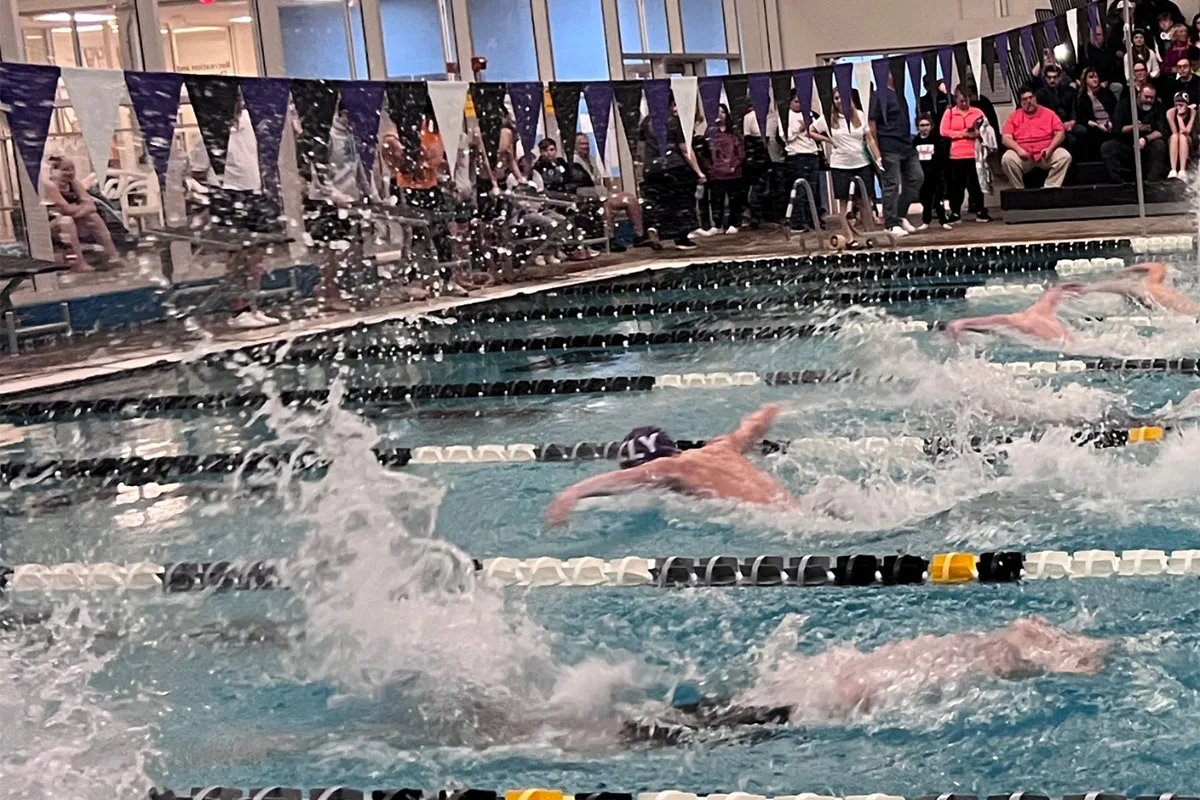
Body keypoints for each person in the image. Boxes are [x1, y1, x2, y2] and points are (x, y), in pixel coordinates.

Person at [625, 617, 1108, 742]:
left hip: (808, 685)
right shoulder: (994, 660)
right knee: (697, 729)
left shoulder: (973, 646)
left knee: (683, 722)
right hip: (817, 700)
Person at [544, 403, 794, 527]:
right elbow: (751, 428)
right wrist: (774, 408)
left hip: (776, 524)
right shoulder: (721, 447)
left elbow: (634, 477)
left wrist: (571, 494)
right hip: (796, 510)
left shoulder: (671, 467)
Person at [305, 104, 378, 313]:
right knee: (332, 250)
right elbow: (318, 173)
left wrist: (372, 195)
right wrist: (335, 196)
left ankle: (331, 288)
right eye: (351, 117)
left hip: (348, 201)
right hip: (326, 202)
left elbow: (359, 168)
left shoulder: (351, 136)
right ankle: (327, 292)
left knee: (345, 249)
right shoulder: (326, 136)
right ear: (342, 114)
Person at [567, 132, 660, 251]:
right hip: (586, 197)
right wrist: (601, 194)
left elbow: (598, 180)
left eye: (587, 143)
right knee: (606, 206)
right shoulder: (573, 164)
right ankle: (609, 239)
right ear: (574, 146)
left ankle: (639, 235)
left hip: (601, 193)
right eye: (581, 144)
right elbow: (578, 187)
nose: (585, 146)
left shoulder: (592, 159)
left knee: (630, 199)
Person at [639, 96, 706, 249]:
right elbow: (684, 149)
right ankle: (681, 238)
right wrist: (699, 172)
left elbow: (641, 148)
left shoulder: (646, 121)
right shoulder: (675, 122)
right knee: (681, 203)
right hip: (674, 167)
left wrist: (645, 167)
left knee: (659, 202)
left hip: (652, 170)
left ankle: (655, 227)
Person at [42, 156, 121, 272]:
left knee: (93, 216)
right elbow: (66, 208)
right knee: (67, 221)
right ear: (53, 171)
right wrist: (80, 209)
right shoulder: (49, 185)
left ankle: (113, 255)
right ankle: (79, 263)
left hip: (72, 218)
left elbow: (91, 205)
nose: (69, 173)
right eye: (65, 169)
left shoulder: (73, 183)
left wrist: (77, 211)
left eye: (71, 168)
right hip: (49, 224)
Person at [869, 71, 923, 237]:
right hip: (889, 146)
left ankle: (899, 215)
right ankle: (890, 223)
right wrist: (877, 151)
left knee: (917, 177)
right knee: (891, 185)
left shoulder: (899, 95)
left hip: (906, 145)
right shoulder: (878, 96)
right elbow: (872, 125)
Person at [810, 90, 876, 222]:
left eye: (842, 97)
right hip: (840, 164)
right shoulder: (827, 117)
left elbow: (869, 139)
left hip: (861, 162)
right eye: (836, 98)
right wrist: (828, 140)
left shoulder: (859, 115)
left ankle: (869, 233)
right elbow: (811, 131)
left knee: (865, 201)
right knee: (844, 203)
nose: (839, 101)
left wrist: (877, 158)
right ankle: (849, 237)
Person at [945, 284, 1082, 344]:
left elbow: (993, 319)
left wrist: (962, 323)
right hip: (1075, 343)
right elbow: (1051, 295)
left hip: (1064, 346)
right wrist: (1060, 288)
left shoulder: (1022, 321)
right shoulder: (1041, 309)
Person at [1001, 85, 1072, 189]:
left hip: (1045, 154)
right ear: (1021, 103)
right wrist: (1019, 150)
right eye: (1025, 99)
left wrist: (1050, 149)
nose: (1029, 101)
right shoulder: (1014, 117)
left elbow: (1060, 133)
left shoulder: (1049, 114)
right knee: (1007, 159)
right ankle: (1019, 190)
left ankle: (1050, 187)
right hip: (1024, 155)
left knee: (1065, 156)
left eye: (1031, 97)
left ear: (1035, 98)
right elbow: (1006, 138)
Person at [940, 85, 991, 223]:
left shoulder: (977, 112)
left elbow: (986, 129)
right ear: (956, 99)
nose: (964, 103)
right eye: (961, 100)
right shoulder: (950, 113)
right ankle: (955, 212)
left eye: (967, 100)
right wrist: (962, 134)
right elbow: (944, 131)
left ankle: (980, 210)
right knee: (957, 186)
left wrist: (976, 133)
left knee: (976, 184)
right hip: (957, 155)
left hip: (974, 153)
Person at [1102, 83, 1169, 182]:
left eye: (1152, 98)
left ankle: (1152, 182)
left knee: (1159, 145)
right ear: (1139, 95)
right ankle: (1120, 182)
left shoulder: (1158, 107)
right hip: (1127, 142)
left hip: (1147, 144)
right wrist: (1133, 127)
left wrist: (1145, 139)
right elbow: (1116, 129)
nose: (1149, 100)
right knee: (1107, 147)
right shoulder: (1124, 104)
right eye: (1146, 97)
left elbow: (1162, 131)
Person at [1075, 262, 1198, 314]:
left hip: (1188, 315)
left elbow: (1112, 286)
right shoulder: (1154, 282)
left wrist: (1085, 289)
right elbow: (1157, 266)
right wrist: (1127, 270)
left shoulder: (1139, 287)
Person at [782, 90, 823, 233]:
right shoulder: (785, 116)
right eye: (796, 102)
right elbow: (785, 137)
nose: (800, 105)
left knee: (813, 190)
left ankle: (814, 220)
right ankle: (797, 222)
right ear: (790, 102)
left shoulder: (810, 114)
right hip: (797, 155)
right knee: (800, 191)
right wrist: (799, 129)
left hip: (812, 153)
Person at [706, 104, 748, 234]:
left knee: (734, 199)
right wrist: (711, 169)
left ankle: (734, 223)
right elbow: (706, 153)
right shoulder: (710, 132)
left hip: (733, 172)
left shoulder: (733, 132)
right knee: (716, 200)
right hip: (717, 173)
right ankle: (717, 225)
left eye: (722, 112)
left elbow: (741, 152)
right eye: (716, 112)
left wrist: (734, 166)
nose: (719, 115)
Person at [913, 114, 950, 230]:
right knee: (925, 199)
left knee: (938, 199)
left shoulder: (936, 139)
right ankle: (926, 220)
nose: (924, 128)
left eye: (927, 125)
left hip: (935, 174)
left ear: (931, 126)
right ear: (918, 127)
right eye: (921, 125)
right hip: (921, 174)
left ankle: (943, 220)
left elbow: (942, 157)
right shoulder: (915, 141)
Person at [1074, 67, 1118, 161]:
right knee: (1093, 135)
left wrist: (1111, 122)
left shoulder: (1106, 92)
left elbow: (1115, 110)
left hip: (1109, 123)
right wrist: (1098, 125)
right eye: (1091, 77)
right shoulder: (1082, 97)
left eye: (1096, 77)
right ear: (1085, 80)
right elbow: (1082, 118)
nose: (1095, 79)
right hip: (1094, 125)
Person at [1167, 91, 1195, 177]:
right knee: (1175, 137)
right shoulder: (1170, 113)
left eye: (1181, 105)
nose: (1178, 107)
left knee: (1183, 137)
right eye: (1176, 105)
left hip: (1187, 139)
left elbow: (1187, 131)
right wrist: (1178, 116)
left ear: (1187, 104)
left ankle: (1182, 170)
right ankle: (1173, 169)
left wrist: (1179, 118)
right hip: (1174, 140)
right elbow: (1174, 132)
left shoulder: (1192, 112)